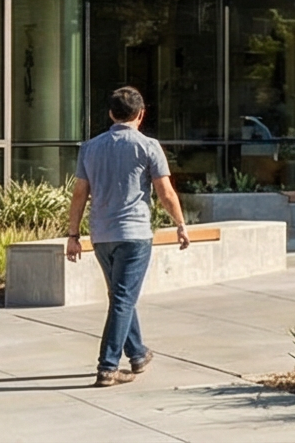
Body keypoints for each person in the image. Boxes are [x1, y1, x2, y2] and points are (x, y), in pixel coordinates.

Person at [66, 85, 189, 387]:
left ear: (110, 113)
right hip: (134, 234)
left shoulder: (90, 147)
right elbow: (165, 191)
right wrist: (181, 224)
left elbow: (79, 194)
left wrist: (73, 234)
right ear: (141, 114)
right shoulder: (148, 146)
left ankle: (137, 353)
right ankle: (107, 366)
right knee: (122, 298)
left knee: (121, 295)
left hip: (101, 235)